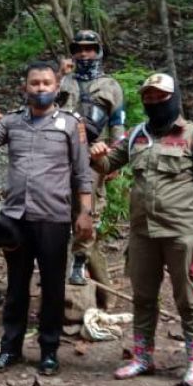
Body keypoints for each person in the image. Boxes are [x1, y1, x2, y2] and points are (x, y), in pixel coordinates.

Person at [90, 73, 193, 386]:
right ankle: (142, 357)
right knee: (143, 297)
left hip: (183, 231)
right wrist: (97, 157)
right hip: (142, 233)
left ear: (174, 97)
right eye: (148, 97)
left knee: (190, 297)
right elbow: (109, 164)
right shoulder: (136, 135)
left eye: (160, 96)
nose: (153, 102)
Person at [0, 60, 94, 377]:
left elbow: (83, 174)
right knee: (15, 287)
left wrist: (85, 213)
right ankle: (9, 349)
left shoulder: (70, 124)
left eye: (46, 83)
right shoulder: (11, 123)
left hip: (53, 217)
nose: (40, 88)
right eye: (34, 83)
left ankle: (49, 351)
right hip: (16, 218)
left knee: (53, 287)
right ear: (24, 87)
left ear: (56, 87)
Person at [58, 29, 126, 295]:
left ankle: (79, 263)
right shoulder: (63, 82)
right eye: (79, 49)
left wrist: (113, 161)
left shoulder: (110, 86)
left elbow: (117, 126)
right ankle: (75, 267)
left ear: (98, 50)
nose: (84, 53)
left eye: (89, 48)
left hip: (94, 155)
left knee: (89, 212)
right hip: (60, 154)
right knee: (61, 210)